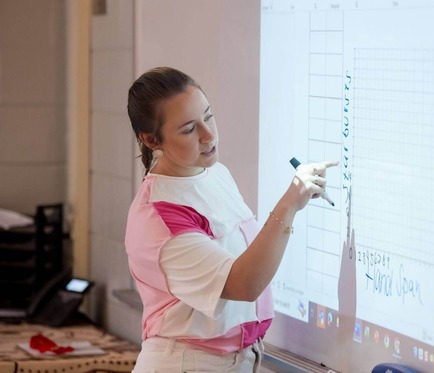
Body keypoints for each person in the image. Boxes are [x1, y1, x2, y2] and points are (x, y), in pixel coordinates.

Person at [125, 66, 338, 372]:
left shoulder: (214, 173)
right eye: (189, 129)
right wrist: (290, 203)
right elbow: (243, 284)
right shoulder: (159, 215)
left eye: (208, 116)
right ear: (151, 139)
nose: (208, 135)